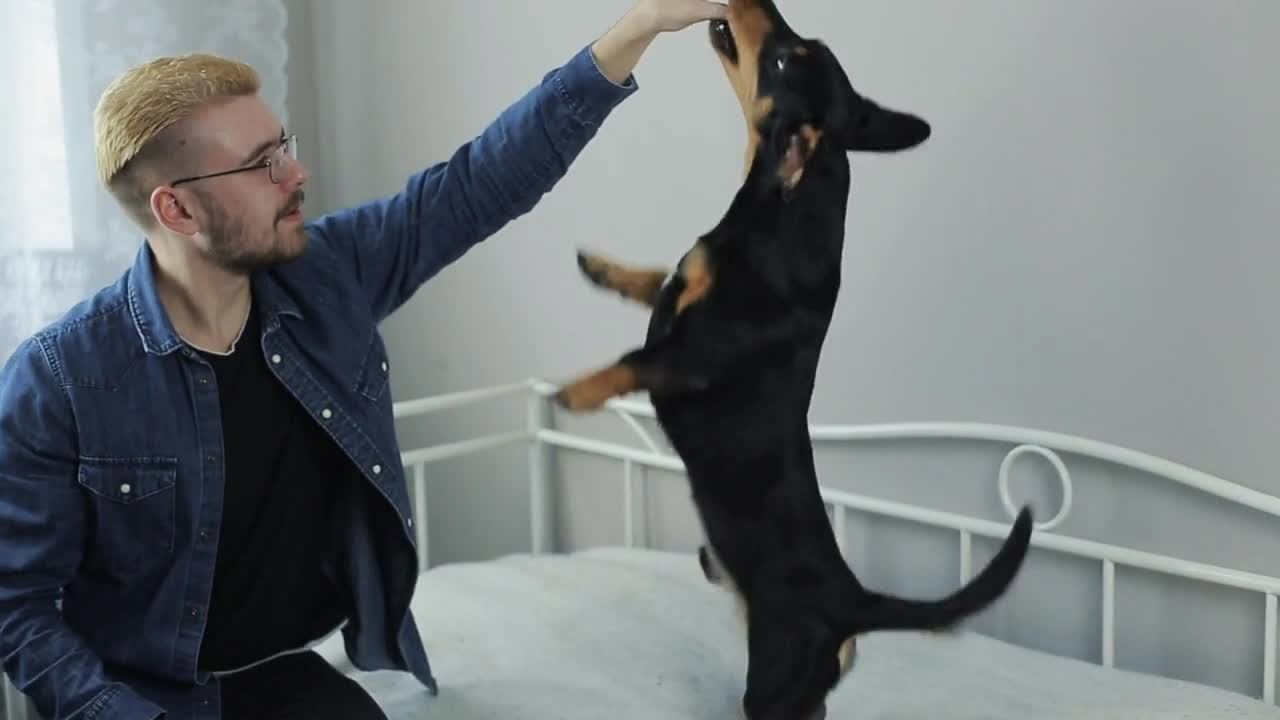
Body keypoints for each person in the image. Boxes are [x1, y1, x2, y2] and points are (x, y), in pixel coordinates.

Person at [0, 1, 727, 718]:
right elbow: (18, 606)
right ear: (177, 212)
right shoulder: (60, 379)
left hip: (285, 676)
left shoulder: (326, 277)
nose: (296, 173)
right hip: (134, 696)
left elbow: (475, 186)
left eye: (283, 144)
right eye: (262, 165)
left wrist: (637, 29)